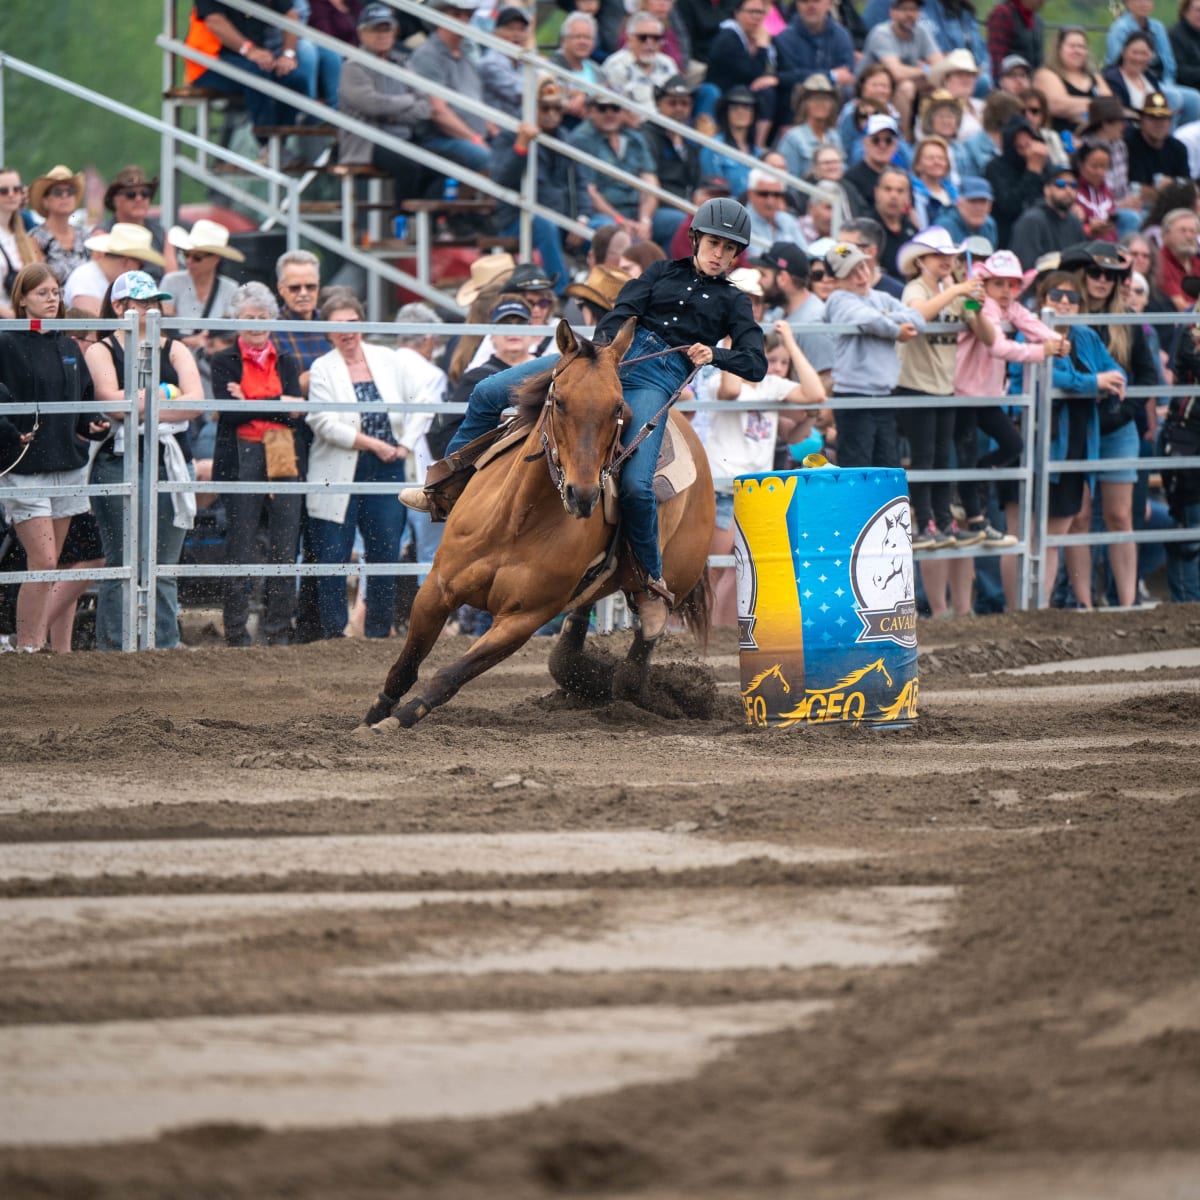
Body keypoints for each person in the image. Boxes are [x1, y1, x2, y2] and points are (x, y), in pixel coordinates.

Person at [403, 197, 767, 640]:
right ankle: (444, 486)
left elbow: (756, 363)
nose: (719, 255)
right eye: (714, 244)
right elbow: (621, 312)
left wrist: (716, 354)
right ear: (695, 239)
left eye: (729, 250)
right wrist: (603, 355)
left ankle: (650, 584)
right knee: (488, 391)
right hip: (603, 358)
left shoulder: (734, 302)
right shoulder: (658, 274)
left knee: (635, 484)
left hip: (656, 378)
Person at [85, 271, 205, 651]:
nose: (150, 309)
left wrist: (141, 403)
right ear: (119, 307)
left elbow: (195, 403)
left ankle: (163, 646)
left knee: (164, 565)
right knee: (123, 560)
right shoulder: (101, 349)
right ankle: (115, 648)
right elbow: (112, 402)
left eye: (154, 302)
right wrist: (168, 399)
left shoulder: (174, 347)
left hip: (168, 460)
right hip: (119, 461)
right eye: (141, 303)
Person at [0, 266, 109, 652]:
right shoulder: (6, 341)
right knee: (44, 561)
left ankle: (39, 647)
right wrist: (9, 431)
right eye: (43, 292)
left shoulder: (66, 345)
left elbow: (79, 397)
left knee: (55, 563)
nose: (53, 298)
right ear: (22, 298)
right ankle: (28, 648)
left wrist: (91, 422)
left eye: (56, 291)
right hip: (24, 466)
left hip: (66, 463)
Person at [305, 294, 422, 639]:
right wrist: (374, 444)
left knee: (385, 550)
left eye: (352, 324)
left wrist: (403, 445)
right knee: (333, 553)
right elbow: (323, 421)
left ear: (363, 324)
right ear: (327, 330)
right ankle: (334, 635)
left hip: (388, 467)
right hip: (341, 468)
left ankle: (378, 630)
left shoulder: (390, 360)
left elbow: (422, 403)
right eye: (338, 326)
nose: (347, 332)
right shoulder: (322, 368)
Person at [707, 321, 824, 624]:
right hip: (722, 488)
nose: (773, 365)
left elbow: (817, 394)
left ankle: (725, 632)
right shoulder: (718, 379)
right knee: (714, 570)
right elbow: (731, 390)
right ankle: (696, 633)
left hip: (754, 491)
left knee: (743, 569)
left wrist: (791, 343)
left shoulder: (772, 385)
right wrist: (731, 339)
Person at [1063, 240, 1157, 609]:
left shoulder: (1128, 322)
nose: (1102, 280)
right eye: (1095, 272)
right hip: (1077, 426)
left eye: (1110, 275)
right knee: (1080, 516)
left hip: (1118, 428)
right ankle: (1084, 604)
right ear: (1083, 275)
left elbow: (1148, 378)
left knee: (1120, 515)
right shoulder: (1066, 314)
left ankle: (1127, 603)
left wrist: (1122, 412)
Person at [212, 281, 307, 647]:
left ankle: (277, 632)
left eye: (262, 317)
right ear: (236, 320)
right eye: (248, 317)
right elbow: (229, 414)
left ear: (273, 319)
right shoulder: (223, 360)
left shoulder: (286, 359)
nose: (255, 323)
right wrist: (277, 401)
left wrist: (250, 397)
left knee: (285, 544)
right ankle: (236, 634)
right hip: (241, 453)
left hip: (282, 449)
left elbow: (296, 412)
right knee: (241, 544)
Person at [953, 250, 1067, 554]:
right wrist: (1044, 350)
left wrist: (1054, 340)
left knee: (1010, 445)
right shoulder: (986, 307)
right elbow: (999, 348)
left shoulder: (1009, 308)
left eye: (1011, 284)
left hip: (986, 395)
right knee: (973, 452)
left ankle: (969, 492)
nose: (1006, 290)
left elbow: (1030, 323)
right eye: (999, 283)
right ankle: (974, 514)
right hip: (964, 394)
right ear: (986, 285)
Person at [895, 227, 992, 553]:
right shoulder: (915, 288)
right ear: (921, 261)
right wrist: (957, 293)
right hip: (914, 386)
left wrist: (976, 306)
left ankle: (943, 522)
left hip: (942, 388)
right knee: (924, 459)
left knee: (940, 459)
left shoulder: (951, 289)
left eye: (949, 256)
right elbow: (917, 314)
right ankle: (926, 524)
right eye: (939, 255)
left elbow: (983, 334)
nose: (947, 261)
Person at [1033, 269, 1111, 606]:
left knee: (1057, 531)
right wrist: (1095, 383)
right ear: (1042, 300)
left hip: (1076, 442)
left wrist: (1102, 380)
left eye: (1072, 297)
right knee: (1034, 532)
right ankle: (1029, 605)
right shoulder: (1033, 332)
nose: (1065, 303)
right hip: (1041, 442)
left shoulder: (1086, 336)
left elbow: (1115, 370)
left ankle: (1042, 604)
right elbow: (1051, 377)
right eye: (1056, 296)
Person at [821, 239, 925, 468]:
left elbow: (917, 319)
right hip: (853, 396)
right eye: (850, 272)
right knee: (858, 468)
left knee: (887, 467)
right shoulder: (838, 300)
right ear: (836, 280)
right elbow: (868, 320)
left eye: (862, 266)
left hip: (883, 396)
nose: (861, 275)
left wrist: (886, 321)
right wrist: (895, 329)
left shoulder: (880, 297)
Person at [492, 79, 593, 292]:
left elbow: (582, 183)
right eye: (544, 107)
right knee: (545, 223)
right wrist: (520, 147)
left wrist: (582, 218)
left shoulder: (567, 139)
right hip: (518, 219)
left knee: (605, 231)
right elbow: (501, 179)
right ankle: (562, 294)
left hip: (565, 217)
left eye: (557, 108)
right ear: (531, 107)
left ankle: (608, 295)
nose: (551, 113)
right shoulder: (510, 134)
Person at [336, 3, 435, 202]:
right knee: (410, 166)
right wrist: (408, 101)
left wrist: (391, 113)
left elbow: (425, 107)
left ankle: (431, 224)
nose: (381, 35)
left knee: (448, 164)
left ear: (394, 32)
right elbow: (373, 105)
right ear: (361, 33)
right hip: (368, 142)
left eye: (386, 29)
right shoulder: (353, 66)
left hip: (404, 137)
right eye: (375, 30)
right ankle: (402, 222)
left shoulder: (403, 63)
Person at [191, 0, 317, 144]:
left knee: (295, 78)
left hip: (253, 60)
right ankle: (266, 145)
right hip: (208, 64)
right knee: (256, 75)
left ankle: (278, 147)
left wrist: (288, 55)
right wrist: (249, 50)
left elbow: (291, 15)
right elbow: (214, 21)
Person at [408, 0, 496, 176]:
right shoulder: (427, 55)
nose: (464, 20)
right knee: (489, 159)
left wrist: (498, 134)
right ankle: (470, 202)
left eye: (468, 15)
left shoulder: (466, 57)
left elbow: (479, 103)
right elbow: (438, 112)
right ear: (439, 16)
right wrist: (475, 138)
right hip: (439, 138)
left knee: (516, 154)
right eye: (456, 14)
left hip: (471, 136)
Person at [568, 94, 659, 240]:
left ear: (623, 111)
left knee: (679, 223)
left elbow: (650, 182)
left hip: (638, 211)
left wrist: (645, 220)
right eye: (602, 108)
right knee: (619, 235)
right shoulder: (582, 139)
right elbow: (589, 192)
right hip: (603, 215)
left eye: (615, 108)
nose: (609, 113)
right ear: (591, 111)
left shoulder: (635, 138)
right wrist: (619, 220)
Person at [161, 218, 245, 365]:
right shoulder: (171, 281)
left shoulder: (230, 287)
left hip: (212, 363)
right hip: (174, 359)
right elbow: (163, 323)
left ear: (216, 258)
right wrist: (192, 340)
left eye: (197, 257)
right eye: (185, 254)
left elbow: (229, 331)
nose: (189, 261)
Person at [1106, 0, 1200, 127]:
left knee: (1194, 98)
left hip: (1161, 81)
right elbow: (1116, 61)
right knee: (1173, 97)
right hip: (1133, 79)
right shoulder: (1120, 28)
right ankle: (1165, 139)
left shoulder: (1158, 27)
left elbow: (1168, 62)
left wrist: (1168, 82)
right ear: (1128, 3)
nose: (1144, 3)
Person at [1163, 295, 1200, 601]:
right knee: (1190, 529)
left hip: (1186, 435)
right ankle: (1187, 610)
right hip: (1187, 438)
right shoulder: (1190, 330)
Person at [704, 0, 779, 149]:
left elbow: (783, 68)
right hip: (726, 94)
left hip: (749, 93)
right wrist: (762, 48)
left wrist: (775, 79)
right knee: (765, 93)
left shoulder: (763, 38)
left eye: (760, 12)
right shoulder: (728, 37)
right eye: (751, 11)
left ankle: (761, 145)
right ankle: (757, 146)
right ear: (737, 13)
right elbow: (750, 74)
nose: (756, 17)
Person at [642, 76, 703, 247]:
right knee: (684, 224)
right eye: (672, 103)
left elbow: (698, 181)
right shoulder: (647, 135)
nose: (679, 108)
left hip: (686, 206)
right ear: (659, 104)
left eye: (684, 103)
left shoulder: (692, 139)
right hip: (657, 208)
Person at [774, 0, 856, 119]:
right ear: (797, 4)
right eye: (805, 1)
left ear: (829, 4)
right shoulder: (785, 38)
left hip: (833, 100)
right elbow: (788, 76)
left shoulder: (841, 35)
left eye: (817, 1)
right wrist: (831, 75)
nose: (811, 6)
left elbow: (847, 75)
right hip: (795, 104)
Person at [91, 166, 177, 279]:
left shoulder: (161, 233)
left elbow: (171, 278)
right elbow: (98, 278)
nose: (139, 198)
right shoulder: (102, 235)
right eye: (131, 194)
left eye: (145, 193)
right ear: (115, 200)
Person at [67, 223, 165, 316]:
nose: (140, 272)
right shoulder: (85, 280)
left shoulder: (93, 277)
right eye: (141, 265)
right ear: (127, 262)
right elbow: (94, 328)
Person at [984, 114, 1051, 247]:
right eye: (1020, 147)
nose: (1027, 152)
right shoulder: (995, 168)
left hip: (1043, 231)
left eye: (1029, 145)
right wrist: (1032, 171)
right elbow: (1011, 206)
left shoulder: (1043, 163)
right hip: (1010, 236)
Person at [1034, 26, 1114, 134]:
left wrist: (1077, 110)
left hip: (1097, 139)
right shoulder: (1046, 74)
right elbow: (1058, 105)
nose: (1077, 51)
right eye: (1072, 46)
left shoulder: (1095, 77)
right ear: (1059, 49)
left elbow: (1111, 106)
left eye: (1081, 47)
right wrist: (1096, 106)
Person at [1010, 161, 1088, 270]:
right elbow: (1026, 269)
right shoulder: (1032, 220)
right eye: (1061, 184)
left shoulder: (1075, 222)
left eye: (1073, 185)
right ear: (1046, 189)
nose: (1068, 190)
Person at [601, 10, 679, 112]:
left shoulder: (668, 63)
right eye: (643, 38)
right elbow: (616, 110)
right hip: (635, 125)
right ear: (629, 39)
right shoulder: (616, 65)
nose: (650, 43)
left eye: (656, 38)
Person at [699, 86, 762, 201]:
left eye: (747, 107)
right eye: (734, 107)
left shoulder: (758, 152)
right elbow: (714, 189)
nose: (741, 111)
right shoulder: (713, 147)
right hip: (727, 210)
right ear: (726, 112)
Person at [28, 165, 87, 287]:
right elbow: (36, 283)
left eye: (70, 192)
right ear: (45, 201)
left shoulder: (85, 235)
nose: (65, 196)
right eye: (58, 192)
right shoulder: (35, 238)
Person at [776, 75, 841, 182]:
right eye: (815, 98)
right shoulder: (793, 138)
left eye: (826, 99)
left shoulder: (835, 136)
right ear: (804, 104)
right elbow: (788, 181)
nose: (820, 103)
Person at [1124, 92, 1191, 192]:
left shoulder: (1178, 148)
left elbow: (1187, 184)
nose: (1159, 124)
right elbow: (1135, 189)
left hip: (1171, 203)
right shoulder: (1129, 144)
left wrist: (1173, 183)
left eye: (1163, 118)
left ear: (1170, 122)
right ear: (1141, 122)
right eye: (1152, 118)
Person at [842, 113, 903, 219]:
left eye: (888, 141)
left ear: (895, 145)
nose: (882, 145)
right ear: (865, 142)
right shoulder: (851, 178)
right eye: (876, 140)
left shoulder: (901, 176)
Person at [0, 166, 42, 319]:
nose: (11, 195)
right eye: (3, 191)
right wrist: (14, 317)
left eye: (16, 189)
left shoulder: (25, 235)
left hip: (23, 321)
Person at [479, 5, 532, 120]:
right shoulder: (490, 63)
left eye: (521, 29)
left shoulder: (524, 60)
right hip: (499, 128)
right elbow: (520, 93)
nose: (516, 34)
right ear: (495, 33)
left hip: (521, 124)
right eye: (510, 28)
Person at [744, 166, 806, 249]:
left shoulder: (788, 220)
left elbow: (805, 255)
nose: (770, 201)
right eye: (764, 194)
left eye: (776, 195)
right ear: (750, 194)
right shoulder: (742, 223)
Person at [985, 0, 1045, 85]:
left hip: (1031, 83)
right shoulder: (1003, 13)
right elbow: (995, 56)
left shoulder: (1038, 21)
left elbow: (1040, 59)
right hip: (1009, 83)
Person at [1073, 140, 1119, 242]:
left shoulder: (1107, 191)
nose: (1099, 172)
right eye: (1094, 166)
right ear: (1080, 164)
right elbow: (1067, 232)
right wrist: (1089, 228)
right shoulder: (1072, 191)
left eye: (1103, 167)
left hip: (1111, 248)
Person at [1155, 207, 1200, 310]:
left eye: (1193, 231)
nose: (1189, 236)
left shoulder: (1197, 262)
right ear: (1165, 235)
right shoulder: (1159, 263)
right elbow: (1181, 306)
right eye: (1182, 231)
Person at [909, 138, 958, 230]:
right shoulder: (911, 193)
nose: (936, 162)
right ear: (917, 164)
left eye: (941, 158)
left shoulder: (956, 193)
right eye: (930, 158)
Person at [938, 174, 998, 247]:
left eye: (983, 202)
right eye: (972, 201)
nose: (978, 207)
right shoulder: (944, 226)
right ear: (958, 203)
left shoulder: (989, 225)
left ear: (990, 206)